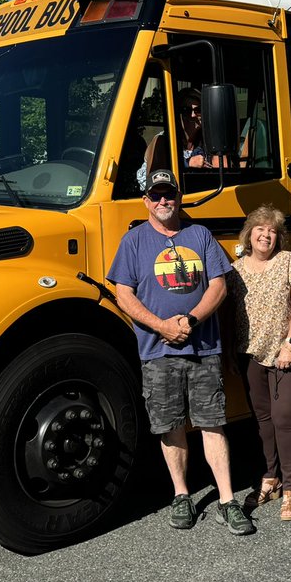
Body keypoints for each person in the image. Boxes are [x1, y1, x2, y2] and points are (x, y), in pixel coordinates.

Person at [107, 169, 255, 536]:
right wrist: (162, 326)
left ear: (178, 198)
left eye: (169, 195)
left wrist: (189, 320)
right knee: (170, 426)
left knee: (211, 423)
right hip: (157, 351)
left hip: (203, 347)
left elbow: (219, 286)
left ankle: (225, 500)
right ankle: (182, 495)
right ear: (146, 201)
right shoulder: (133, 242)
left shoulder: (200, 235)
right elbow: (123, 294)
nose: (162, 202)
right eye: (155, 195)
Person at [226, 205, 291, 521]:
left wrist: (289, 346)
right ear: (250, 234)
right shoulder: (235, 271)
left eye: (273, 231)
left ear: (279, 237)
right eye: (261, 229)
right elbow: (230, 315)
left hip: (286, 353)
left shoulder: (290, 262)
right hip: (250, 355)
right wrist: (229, 355)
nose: (266, 235)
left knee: (285, 415)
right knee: (262, 419)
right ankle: (271, 477)